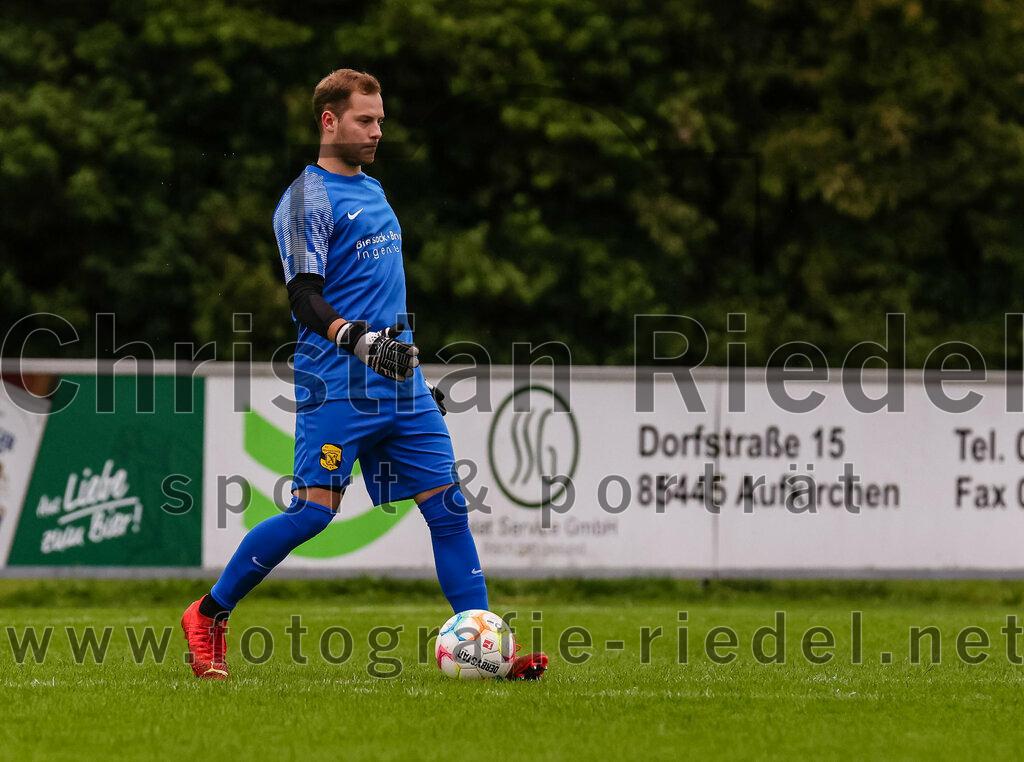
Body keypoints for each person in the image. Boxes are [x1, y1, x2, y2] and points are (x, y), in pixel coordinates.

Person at [181, 69, 547, 681]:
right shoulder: (304, 199)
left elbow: (380, 294)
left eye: (380, 120)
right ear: (330, 121)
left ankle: (488, 651)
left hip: (398, 383)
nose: (378, 130)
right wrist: (358, 340)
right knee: (313, 514)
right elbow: (303, 298)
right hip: (336, 381)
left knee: (449, 510)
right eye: (366, 120)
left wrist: (405, 369)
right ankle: (209, 613)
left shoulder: (375, 190)